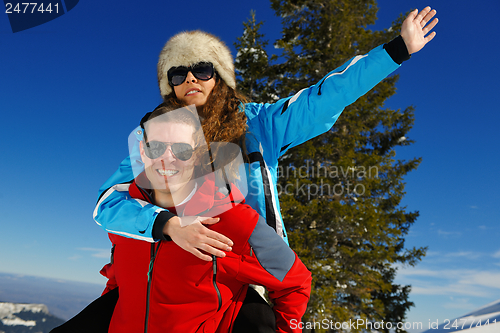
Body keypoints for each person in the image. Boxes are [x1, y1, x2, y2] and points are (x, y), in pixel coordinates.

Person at [94, 7, 438, 261]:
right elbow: (108, 203)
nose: (190, 79)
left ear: (220, 78)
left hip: (250, 272)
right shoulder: (152, 137)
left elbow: (325, 97)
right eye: (178, 73)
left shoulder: (258, 125)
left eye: (201, 69)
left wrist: (397, 50)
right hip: (173, 269)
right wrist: (166, 225)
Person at [99, 103, 311, 332]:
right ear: (142, 151)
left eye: (181, 150)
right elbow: (118, 278)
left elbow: (295, 282)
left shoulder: (231, 220)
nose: (166, 158)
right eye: (156, 147)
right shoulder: (127, 217)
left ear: (197, 156)